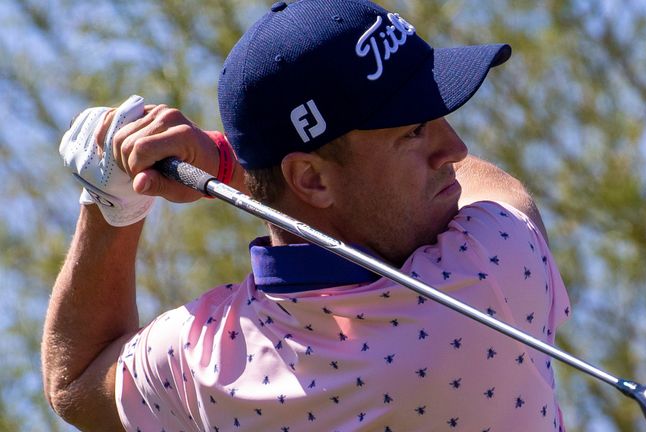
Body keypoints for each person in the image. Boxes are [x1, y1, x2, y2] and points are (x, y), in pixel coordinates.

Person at [43, 0, 571, 431]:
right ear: (312, 180)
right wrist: (228, 163)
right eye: (412, 131)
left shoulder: (204, 361)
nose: (452, 148)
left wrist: (112, 198)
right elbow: (495, 187)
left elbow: (76, 381)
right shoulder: (490, 268)